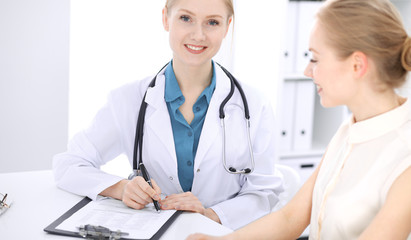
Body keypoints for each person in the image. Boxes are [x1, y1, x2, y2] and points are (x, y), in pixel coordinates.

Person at [187, 0, 411, 239]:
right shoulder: (351, 129)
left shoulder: (404, 158)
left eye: (314, 58)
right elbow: (291, 218)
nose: (307, 70)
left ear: (357, 65)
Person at [53, 0, 283, 230]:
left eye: (212, 22)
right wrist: (121, 188)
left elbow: (263, 193)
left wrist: (210, 214)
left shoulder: (253, 105)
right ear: (166, 19)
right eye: (186, 18)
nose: (198, 35)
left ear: (227, 27)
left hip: (222, 234)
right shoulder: (128, 100)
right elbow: (68, 164)